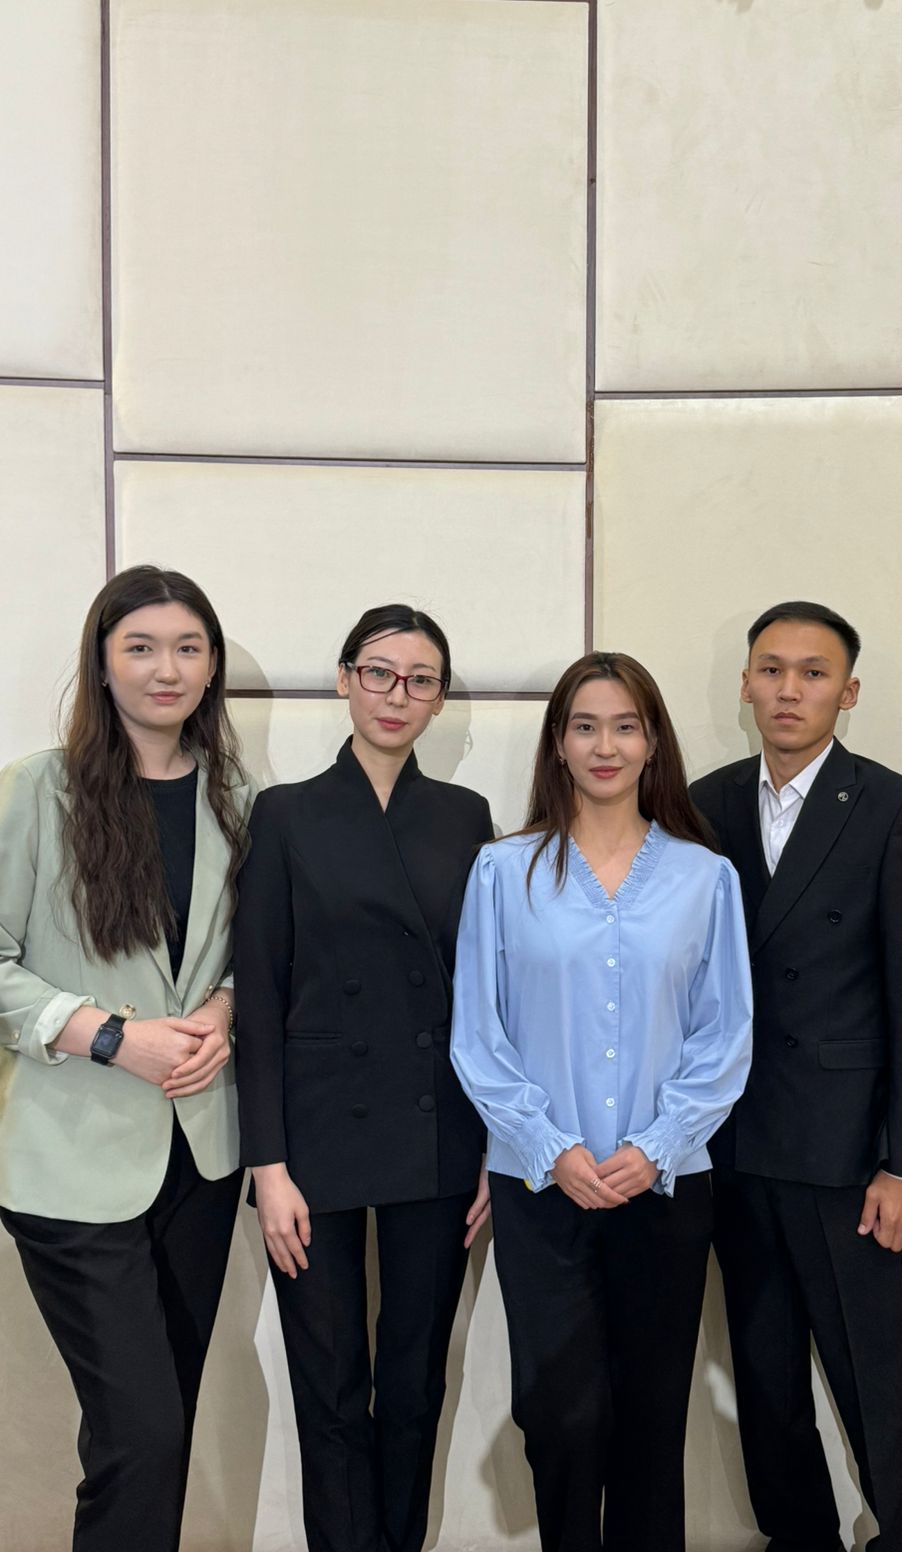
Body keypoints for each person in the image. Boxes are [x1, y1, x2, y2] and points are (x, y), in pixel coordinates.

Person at [451, 650, 752, 1552]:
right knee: (562, 1413)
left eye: (626, 726)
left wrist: (659, 1145)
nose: (605, 746)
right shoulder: (503, 872)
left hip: (664, 1187)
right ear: (558, 743)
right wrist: (550, 1147)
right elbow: (479, 1034)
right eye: (585, 726)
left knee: (653, 1419)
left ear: (653, 741)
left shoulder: (705, 878)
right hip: (542, 1187)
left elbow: (724, 1035)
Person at [690, 600, 902, 1552]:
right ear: (746, 683)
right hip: (732, 1143)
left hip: (850, 1156)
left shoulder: (893, 808)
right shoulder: (703, 803)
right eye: (771, 669)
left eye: (812, 672)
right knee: (763, 1379)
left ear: (849, 692)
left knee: (879, 1376)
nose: (788, 690)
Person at [0, 565, 251, 1552]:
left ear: (212, 666)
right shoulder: (38, 790)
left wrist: (225, 1009)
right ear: (102, 664)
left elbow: (259, 956)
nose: (166, 669)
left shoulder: (239, 799)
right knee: (144, 1429)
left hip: (201, 1156)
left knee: (159, 1425)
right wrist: (107, 1033)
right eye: (140, 647)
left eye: (188, 647)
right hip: (69, 1163)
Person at [233, 603, 493, 1552]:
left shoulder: (465, 817)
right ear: (345, 679)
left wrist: (492, 1144)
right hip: (312, 1142)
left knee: (416, 1382)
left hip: (439, 1132)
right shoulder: (285, 813)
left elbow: (484, 990)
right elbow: (259, 995)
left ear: (439, 700)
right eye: (379, 672)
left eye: (421, 680)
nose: (397, 694)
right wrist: (267, 1165)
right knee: (330, 1385)